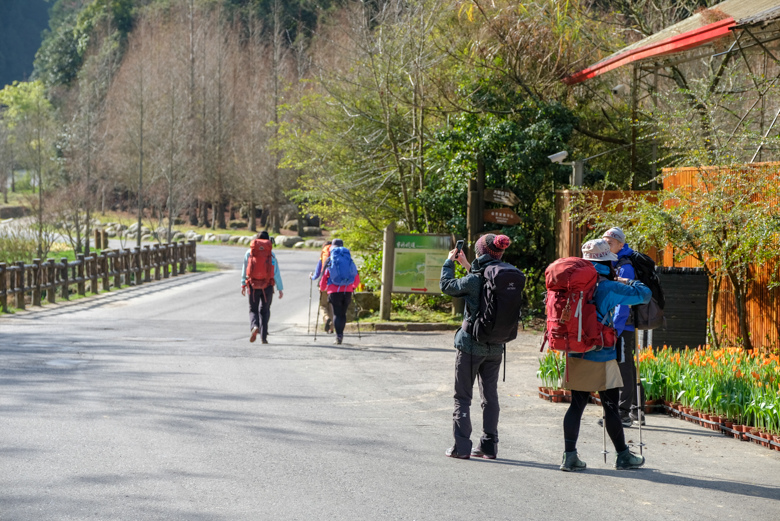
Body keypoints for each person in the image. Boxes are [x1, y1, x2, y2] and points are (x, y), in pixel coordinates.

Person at [560, 239, 651, 472]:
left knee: (576, 405)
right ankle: (623, 456)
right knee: (610, 406)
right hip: (601, 354)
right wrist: (625, 279)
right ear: (606, 261)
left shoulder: (572, 281)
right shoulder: (608, 286)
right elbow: (644, 294)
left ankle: (569, 456)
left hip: (575, 350)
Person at [440, 234, 512, 460]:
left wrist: (448, 263)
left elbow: (447, 286)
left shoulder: (474, 280)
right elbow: (483, 285)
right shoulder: (503, 276)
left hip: (471, 346)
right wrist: (466, 265)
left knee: (462, 397)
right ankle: (489, 446)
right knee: (490, 397)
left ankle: (461, 447)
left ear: (481, 252)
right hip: (496, 347)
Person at [602, 226, 644, 427]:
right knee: (627, 367)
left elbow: (624, 302)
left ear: (620, 244)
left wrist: (616, 330)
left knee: (624, 368)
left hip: (623, 326)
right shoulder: (615, 262)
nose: (607, 244)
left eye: (610, 242)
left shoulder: (625, 266)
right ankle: (638, 409)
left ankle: (624, 414)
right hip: (620, 325)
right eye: (605, 241)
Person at [241, 231, 284, 344]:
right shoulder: (271, 254)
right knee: (264, 311)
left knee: (253, 309)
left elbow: (245, 269)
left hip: (253, 285)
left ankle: (254, 326)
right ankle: (264, 338)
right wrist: (280, 288)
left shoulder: (249, 253)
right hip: (267, 286)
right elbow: (276, 273)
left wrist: (243, 284)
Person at [320, 238, 359, 345]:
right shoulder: (348, 259)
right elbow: (356, 275)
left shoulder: (330, 259)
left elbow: (325, 275)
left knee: (336, 313)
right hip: (347, 290)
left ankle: (339, 336)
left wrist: (322, 287)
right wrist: (353, 286)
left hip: (334, 291)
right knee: (343, 313)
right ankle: (341, 334)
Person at [310, 240, 334, 334]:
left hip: (324, 284)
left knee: (323, 305)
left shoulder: (323, 255)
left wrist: (311, 277)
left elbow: (317, 273)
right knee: (331, 306)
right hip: (335, 285)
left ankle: (326, 318)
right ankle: (331, 328)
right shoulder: (338, 254)